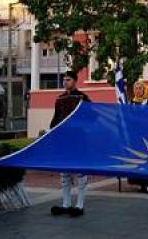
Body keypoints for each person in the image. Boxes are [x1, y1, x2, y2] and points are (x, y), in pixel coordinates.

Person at [50, 71, 91, 217]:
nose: (65, 82)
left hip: (78, 139)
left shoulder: (82, 98)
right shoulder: (60, 99)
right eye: (64, 80)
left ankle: (80, 205)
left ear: (75, 81)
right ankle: (66, 203)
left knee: (80, 172)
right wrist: (52, 133)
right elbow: (56, 119)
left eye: (68, 79)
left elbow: (92, 117)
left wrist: (79, 125)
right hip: (64, 140)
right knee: (64, 173)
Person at [127, 81, 148, 193]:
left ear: (144, 89)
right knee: (137, 158)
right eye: (136, 88)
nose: (138, 90)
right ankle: (140, 183)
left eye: (140, 88)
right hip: (136, 136)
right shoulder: (131, 103)